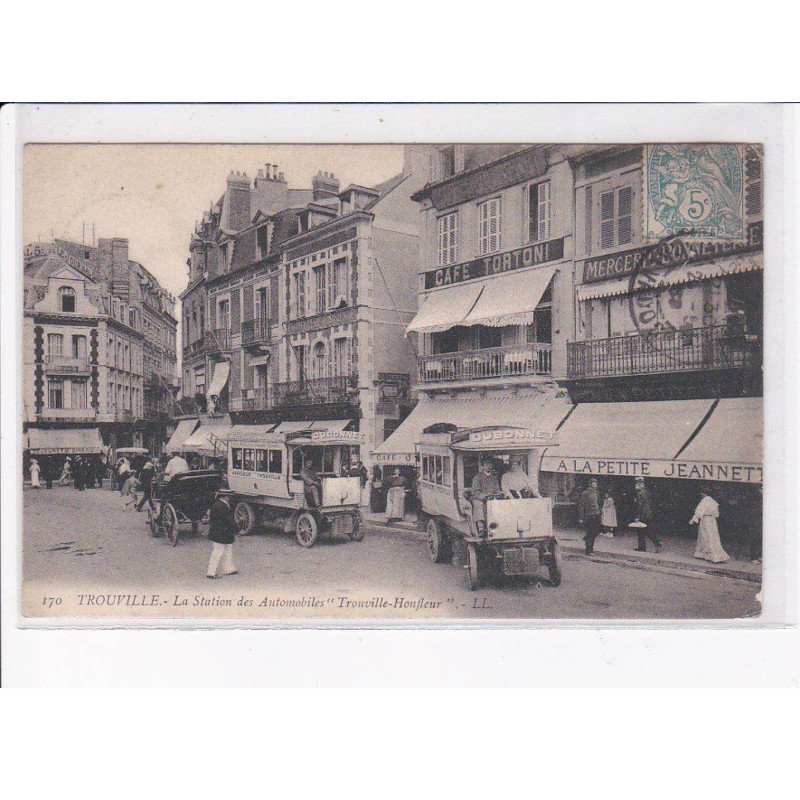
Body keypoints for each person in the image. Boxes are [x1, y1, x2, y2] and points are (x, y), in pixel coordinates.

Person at [690, 486, 730, 563]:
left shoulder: (704, 501)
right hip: (712, 520)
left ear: (703, 493)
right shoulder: (713, 501)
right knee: (713, 536)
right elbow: (717, 514)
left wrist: (695, 518)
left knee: (705, 536)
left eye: (701, 492)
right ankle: (714, 554)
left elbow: (698, 512)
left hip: (705, 520)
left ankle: (709, 555)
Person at [206, 495, 238, 578]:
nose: (229, 498)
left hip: (220, 532)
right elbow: (229, 520)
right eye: (228, 496)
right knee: (218, 552)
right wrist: (236, 529)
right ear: (224, 497)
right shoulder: (223, 506)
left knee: (227, 550)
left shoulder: (217, 504)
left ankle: (228, 568)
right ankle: (211, 572)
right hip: (222, 533)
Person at [469, 461, 501, 535]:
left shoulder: (494, 478)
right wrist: (484, 496)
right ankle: (481, 527)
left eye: (490, 465)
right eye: (486, 465)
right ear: (483, 466)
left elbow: (497, 489)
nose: (488, 467)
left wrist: (498, 493)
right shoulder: (477, 477)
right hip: (478, 498)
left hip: (491, 498)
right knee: (479, 505)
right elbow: (475, 491)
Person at [633, 477, 662, 553]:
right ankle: (643, 547)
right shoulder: (646, 492)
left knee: (645, 531)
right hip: (648, 514)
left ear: (640, 485)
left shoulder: (640, 493)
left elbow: (641, 506)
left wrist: (638, 517)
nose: (635, 486)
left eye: (637, 484)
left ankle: (656, 544)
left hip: (644, 515)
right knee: (645, 531)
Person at [578, 478, 602, 555]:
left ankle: (586, 538)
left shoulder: (597, 492)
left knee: (596, 531)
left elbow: (599, 502)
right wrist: (581, 517)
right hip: (589, 514)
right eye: (593, 484)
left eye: (596, 484)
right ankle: (589, 550)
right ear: (590, 484)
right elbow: (581, 505)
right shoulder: (585, 493)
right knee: (591, 532)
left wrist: (600, 511)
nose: (595, 485)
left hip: (597, 514)